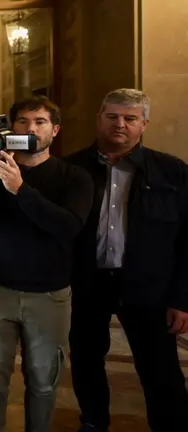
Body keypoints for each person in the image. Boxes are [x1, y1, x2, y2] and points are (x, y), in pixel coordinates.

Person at [0, 96, 94, 432]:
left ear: (55, 130)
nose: (31, 128)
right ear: (10, 128)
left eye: (40, 122)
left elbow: (68, 227)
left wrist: (20, 189)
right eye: (22, 122)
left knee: (44, 383)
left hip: (49, 296)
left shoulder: (74, 177)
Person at [65, 88, 188, 432]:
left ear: (144, 124)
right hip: (87, 283)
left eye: (130, 118)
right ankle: (93, 421)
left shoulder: (172, 172)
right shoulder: (72, 169)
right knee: (86, 360)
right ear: (98, 119)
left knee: (160, 368)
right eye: (112, 116)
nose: (120, 124)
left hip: (148, 285)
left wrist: (182, 298)